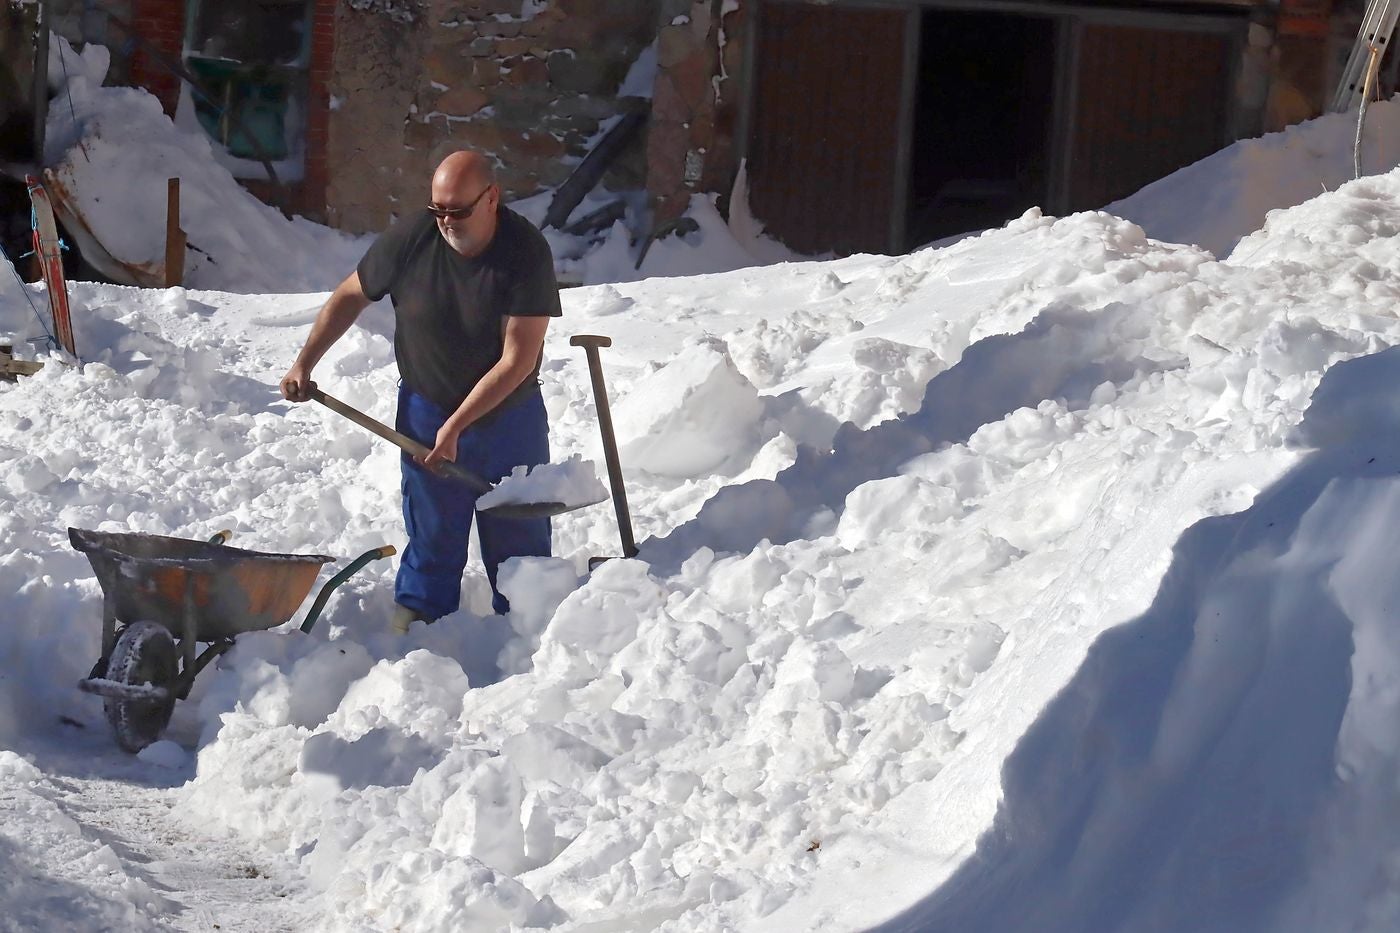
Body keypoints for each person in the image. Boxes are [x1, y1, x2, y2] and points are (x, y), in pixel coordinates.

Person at [280, 150, 561, 632]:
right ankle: (418, 629)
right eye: (438, 210)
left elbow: (518, 360)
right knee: (432, 528)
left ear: (491, 198)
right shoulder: (414, 237)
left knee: (518, 530)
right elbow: (350, 294)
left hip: (507, 417)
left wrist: (458, 426)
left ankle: (528, 636)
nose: (446, 221)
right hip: (427, 405)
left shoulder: (524, 251)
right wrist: (304, 362)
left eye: (459, 210)